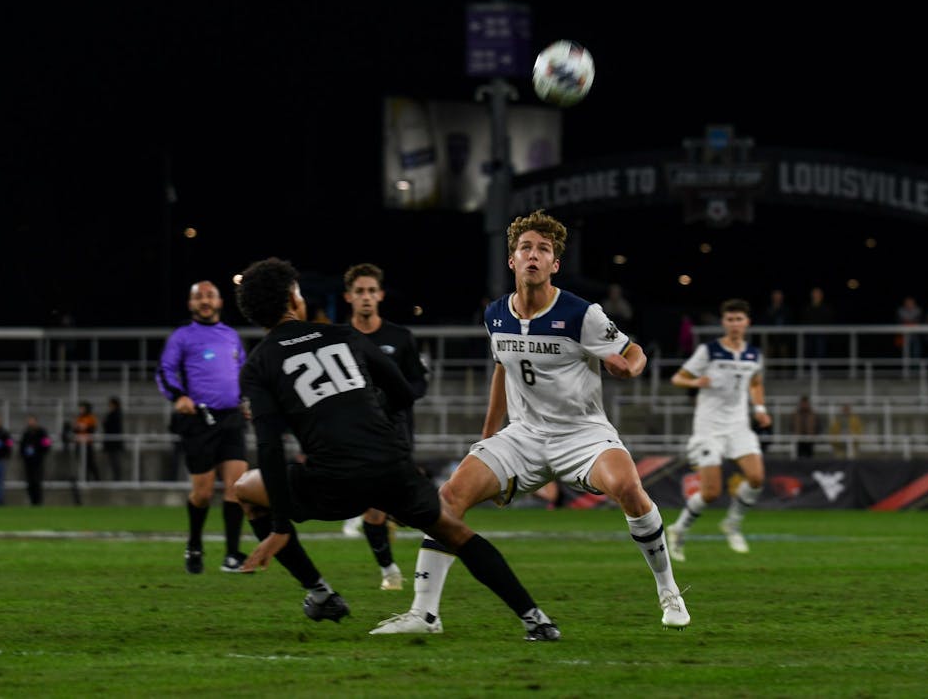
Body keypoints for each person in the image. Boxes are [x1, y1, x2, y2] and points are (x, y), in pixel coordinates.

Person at [370, 209, 689, 636]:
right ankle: (424, 614)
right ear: (512, 260)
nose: (533, 255)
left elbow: (634, 353)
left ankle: (668, 590)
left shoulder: (581, 314)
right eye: (526, 248)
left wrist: (628, 370)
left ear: (555, 263)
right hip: (522, 436)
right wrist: (487, 444)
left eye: (543, 249)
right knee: (447, 498)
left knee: (630, 488)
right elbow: (503, 370)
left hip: (582, 434)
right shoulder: (496, 315)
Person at [232, 256, 560, 642]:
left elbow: (269, 446)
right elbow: (404, 392)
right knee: (453, 531)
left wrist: (280, 525)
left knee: (244, 490)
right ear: (293, 298)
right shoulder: (344, 335)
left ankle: (321, 594)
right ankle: (535, 619)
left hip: (333, 480)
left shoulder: (258, 364)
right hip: (390, 464)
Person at [340, 262, 429, 591]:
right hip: (356, 435)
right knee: (374, 508)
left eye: (371, 291)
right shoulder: (339, 339)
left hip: (397, 433)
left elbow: (419, 384)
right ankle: (390, 571)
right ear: (348, 297)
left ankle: (396, 519)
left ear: (379, 295)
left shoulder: (399, 338)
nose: (366, 297)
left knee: (402, 507)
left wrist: (394, 397)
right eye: (359, 292)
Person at [156, 280, 250, 574]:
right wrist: (179, 396)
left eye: (210, 296)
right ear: (191, 304)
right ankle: (194, 544)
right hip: (200, 421)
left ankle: (232, 555)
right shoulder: (182, 336)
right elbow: (165, 370)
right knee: (203, 493)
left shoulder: (232, 336)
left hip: (232, 418)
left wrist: (246, 400)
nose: (205, 301)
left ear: (220, 302)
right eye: (199, 297)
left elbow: (244, 373)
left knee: (237, 489)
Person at [667, 298, 771, 561]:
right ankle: (678, 529)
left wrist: (760, 410)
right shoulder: (709, 351)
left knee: (757, 478)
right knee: (711, 493)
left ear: (747, 322)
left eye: (739, 319)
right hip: (709, 429)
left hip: (738, 427)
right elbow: (678, 377)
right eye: (730, 319)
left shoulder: (753, 354)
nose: (734, 324)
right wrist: (696, 382)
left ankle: (732, 524)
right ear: (724, 322)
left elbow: (756, 383)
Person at [19, 415, 52, 505]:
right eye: (29, 421)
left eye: (32, 421)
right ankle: (32, 500)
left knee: (37, 481)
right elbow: (22, 446)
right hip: (28, 461)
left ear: (36, 421)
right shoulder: (26, 433)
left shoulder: (41, 432)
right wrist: (24, 453)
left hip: (38, 460)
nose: (31, 422)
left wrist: (39, 451)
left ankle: (38, 501)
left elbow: (47, 444)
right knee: (29, 482)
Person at [799, 286, 833, 359]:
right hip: (809, 335)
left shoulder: (826, 308)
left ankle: (820, 369)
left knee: (821, 354)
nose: (816, 295)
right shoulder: (807, 308)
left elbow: (828, 321)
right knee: (808, 354)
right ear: (811, 295)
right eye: (815, 293)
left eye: (818, 293)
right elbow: (804, 321)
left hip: (821, 335)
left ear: (822, 295)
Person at [759, 288, 793, 359]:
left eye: (779, 296)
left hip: (783, 337)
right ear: (772, 297)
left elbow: (789, 322)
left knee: (784, 355)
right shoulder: (768, 309)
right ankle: (768, 370)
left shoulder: (786, 309)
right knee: (769, 355)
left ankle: (785, 370)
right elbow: (764, 321)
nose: (777, 298)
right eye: (776, 296)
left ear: (782, 297)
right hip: (771, 336)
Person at [73, 401, 100, 481]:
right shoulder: (79, 418)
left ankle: (97, 478)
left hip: (88, 443)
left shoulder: (91, 418)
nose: (81, 410)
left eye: (82, 408)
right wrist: (77, 428)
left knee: (90, 462)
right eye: (80, 408)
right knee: (81, 462)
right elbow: (75, 430)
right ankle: (85, 478)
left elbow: (92, 429)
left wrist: (85, 428)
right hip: (79, 442)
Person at [790, 394, 821, 458]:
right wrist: (795, 434)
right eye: (803, 403)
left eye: (805, 403)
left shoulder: (813, 414)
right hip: (799, 439)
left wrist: (814, 434)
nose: (804, 405)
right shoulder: (795, 414)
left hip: (810, 439)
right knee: (799, 457)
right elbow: (791, 426)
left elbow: (818, 426)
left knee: (810, 457)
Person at [102, 396, 124, 481]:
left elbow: (110, 426)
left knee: (115, 461)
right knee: (113, 461)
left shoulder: (116, 414)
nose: (109, 406)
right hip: (111, 442)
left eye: (111, 404)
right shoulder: (113, 414)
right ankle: (116, 478)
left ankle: (117, 479)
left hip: (114, 442)